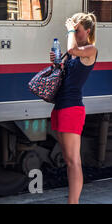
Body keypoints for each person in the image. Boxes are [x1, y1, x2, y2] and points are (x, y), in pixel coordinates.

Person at [50, 12, 98, 204]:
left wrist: (70, 30)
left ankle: (73, 202)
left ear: (87, 31)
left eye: (77, 30)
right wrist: (55, 62)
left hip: (72, 109)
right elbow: (65, 74)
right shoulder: (74, 55)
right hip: (61, 106)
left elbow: (71, 49)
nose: (74, 33)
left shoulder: (90, 50)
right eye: (73, 30)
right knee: (68, 161)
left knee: (73, 161)